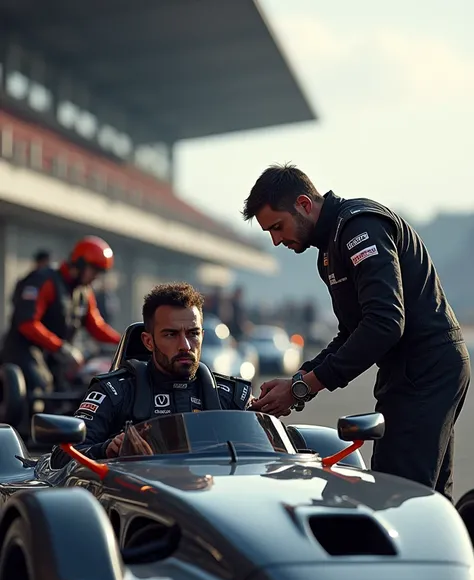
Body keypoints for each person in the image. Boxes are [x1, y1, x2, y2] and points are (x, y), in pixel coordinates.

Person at [242, 163, 470, 501]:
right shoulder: (330, 250)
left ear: (304, 204)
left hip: (427, 372)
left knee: (398, 499)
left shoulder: (358, 227)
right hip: (414, 373)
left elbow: (385, 323)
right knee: (427, 499)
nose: (276, 240)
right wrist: (300, 378)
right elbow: (351, 333)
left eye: (278, 226)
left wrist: (303, 387)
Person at [50, 282, 253, 466]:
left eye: (193, 334)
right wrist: (108, 449)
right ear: (148, 341)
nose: (185, 346)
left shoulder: (231, 396)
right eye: (171, 334)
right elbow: (59, 458)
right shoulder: (114, 392)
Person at [1, 236, 121, 396]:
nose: (96, 277)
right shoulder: (45, 280)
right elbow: (27, 323)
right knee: (41, 389)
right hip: (25, 351)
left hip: (55, 356)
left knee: (76, 387)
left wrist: (125, 341)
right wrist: (62, 348)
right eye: (95, 270)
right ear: (80, 264)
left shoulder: (84, 292)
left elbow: (96, 326)